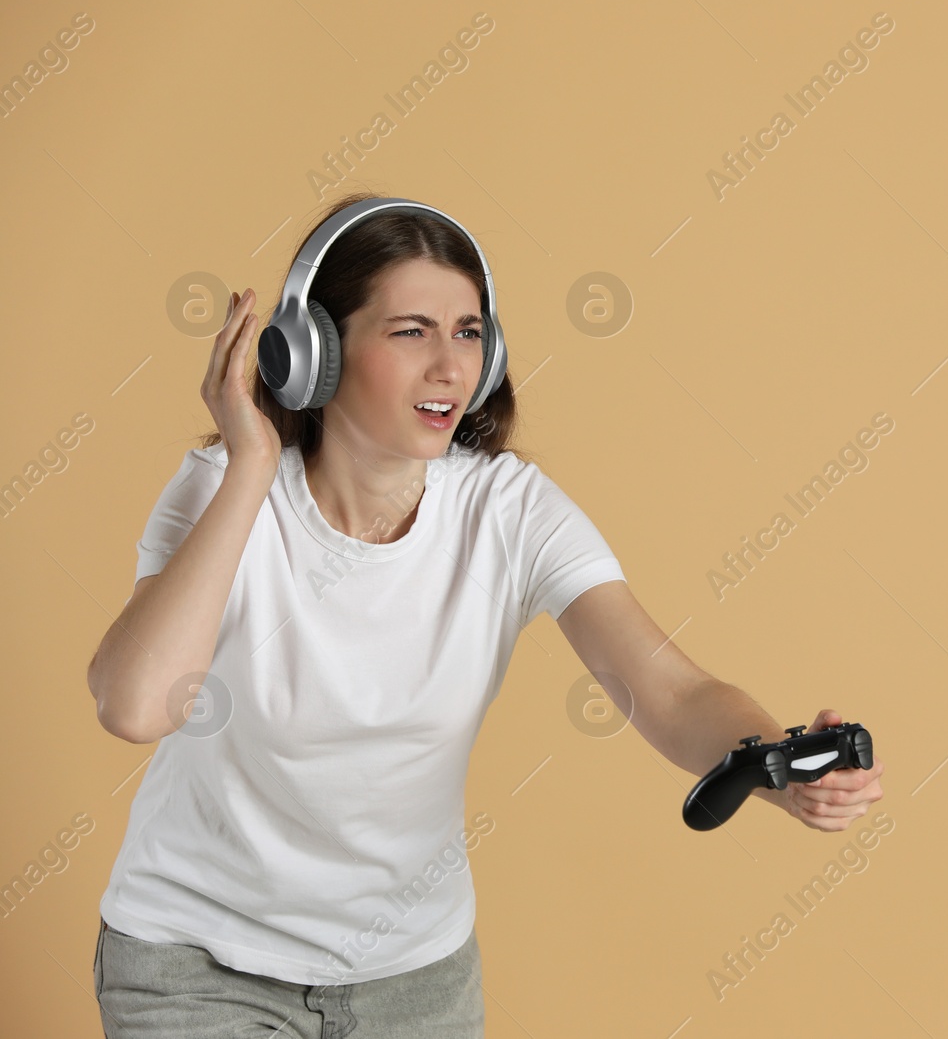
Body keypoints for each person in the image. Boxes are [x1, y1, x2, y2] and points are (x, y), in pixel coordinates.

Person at [84, 194, 886, 1037]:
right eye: (410, 331)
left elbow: (673, 693)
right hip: (199, 965)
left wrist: (769, 764)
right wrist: (251, 466)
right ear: (314, 352)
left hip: (413, 979)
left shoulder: (508, 510)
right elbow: (134, 706)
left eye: (468, 332)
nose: (450, 367)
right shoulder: (223, 489)